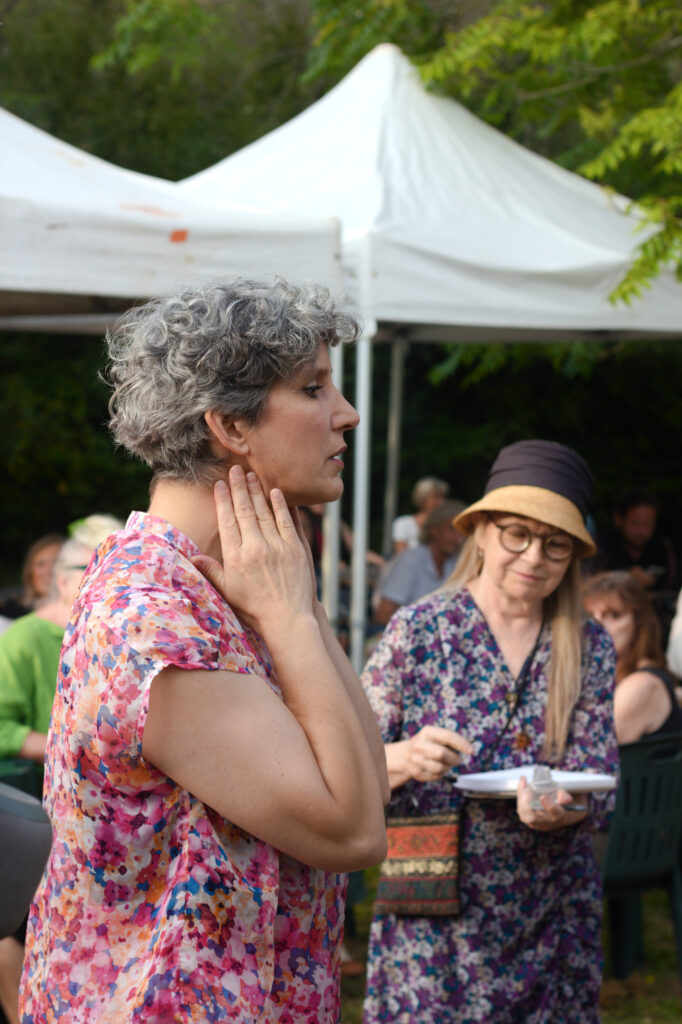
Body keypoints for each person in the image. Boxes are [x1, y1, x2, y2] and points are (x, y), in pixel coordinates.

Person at [19, 278, 389, 1024]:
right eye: (313, 389)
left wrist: (299, 606)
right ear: (231, 426)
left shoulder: (238, 585)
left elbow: (369, 782)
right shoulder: (153, 618)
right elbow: (353, 832)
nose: (346, 414)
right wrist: (291, 618)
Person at [361, 439, 618, 1024]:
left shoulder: (588, 645)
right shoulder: (419, 630)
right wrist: (402, 757)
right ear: (480, 531)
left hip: (550, 910)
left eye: (555, 544)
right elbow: (349, 765)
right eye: (516, 534)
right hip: (430, 914)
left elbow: (597, 785)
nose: (534, 556)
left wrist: (562, 808)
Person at [583, 572, 682, 743]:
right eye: (590, 616)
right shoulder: (603, 674)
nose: (597, 625)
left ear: (639, 623)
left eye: (613, 615)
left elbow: (591, 752)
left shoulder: (642, 684)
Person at [593, 489, 676, 634]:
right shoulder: (603, 548)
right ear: (619, 520)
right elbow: (588, 584)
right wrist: (625, 578)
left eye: (647, 524)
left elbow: (673, 589)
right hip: (609, 627)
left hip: (656, 627)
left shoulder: (662, 549)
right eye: (635, 523)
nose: (641, 531)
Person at [374, 500, 466, 626]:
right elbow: (383, 615)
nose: (458, 537)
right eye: (451, 529)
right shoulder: (409, 560)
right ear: (434, 530)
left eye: (462, 531)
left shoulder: (456, 563)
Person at [391, 476, 449, 554]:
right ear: (422, 498)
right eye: (436, 497)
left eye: (443, 497)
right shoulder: (403, 523)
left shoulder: (446, 526)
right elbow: (401, 556)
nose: (441, 502)